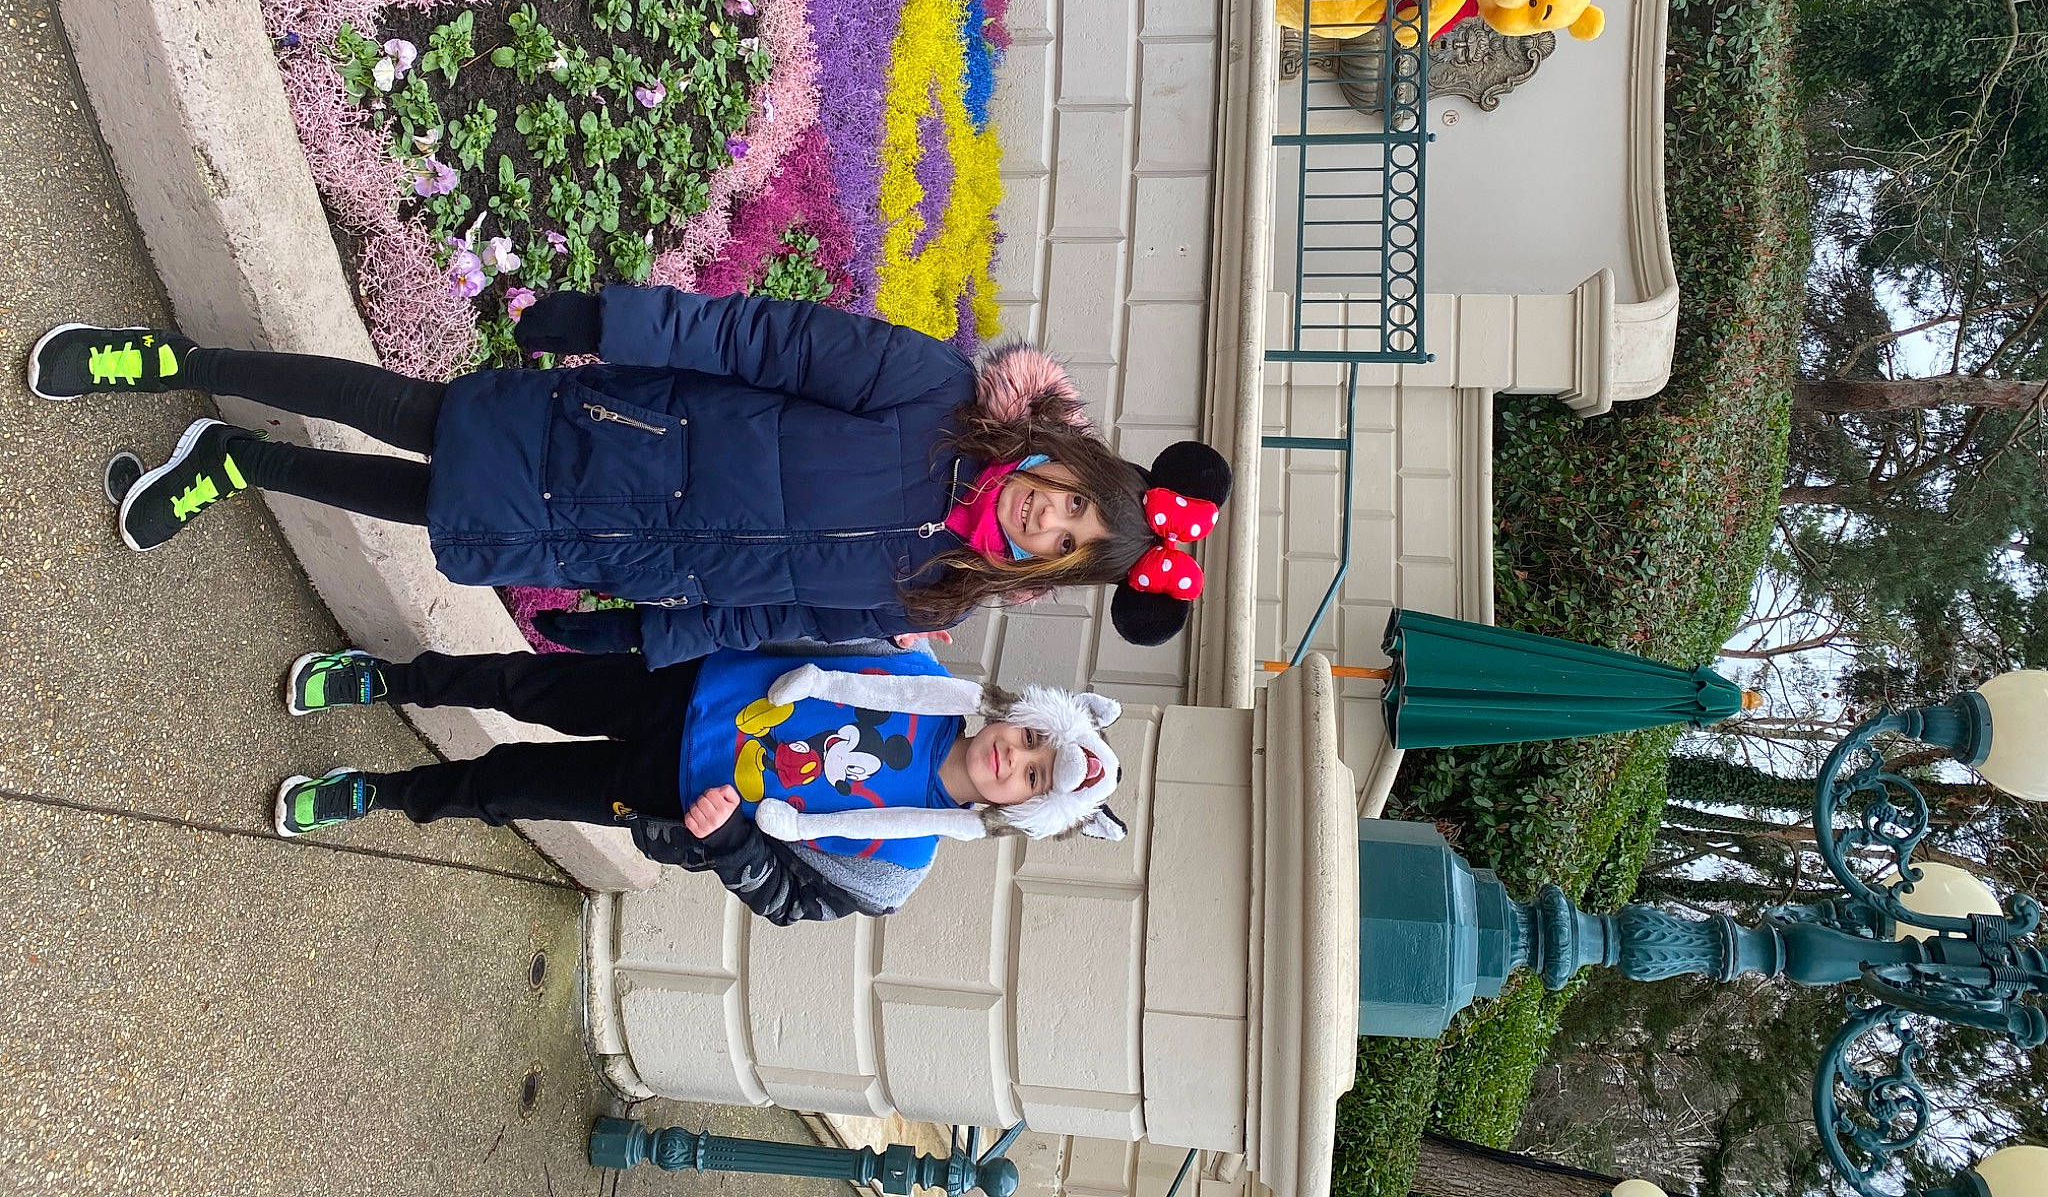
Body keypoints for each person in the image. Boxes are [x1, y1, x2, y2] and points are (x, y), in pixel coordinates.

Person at [27, 289, 1232, 657]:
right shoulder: (931, 392)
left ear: (1057, 567)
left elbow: (768, 619)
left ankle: (234, 460)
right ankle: (169, 361)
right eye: (1073, 493)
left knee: (430, 505)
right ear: (1068, 455)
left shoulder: (925, 597)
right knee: (407, 414)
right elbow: (763, 339)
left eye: (1070, 536)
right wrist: (622, 321)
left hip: (622, 545)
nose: (1051, 514)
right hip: (618, 434)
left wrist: (641, 636)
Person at [270, 643, 1127, 924]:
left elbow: (790, 900)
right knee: (519, 686)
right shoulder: (914, 665)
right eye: (1028, 741)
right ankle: (389, 679)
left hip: (664, 792)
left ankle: (382, 793)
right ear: (1018, 715)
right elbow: (800, 615)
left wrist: (727, 841)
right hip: (675, 685)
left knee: (507, 787)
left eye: (1034, 776)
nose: (1013, 760)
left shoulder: (898, 864)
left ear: (1023, 809)